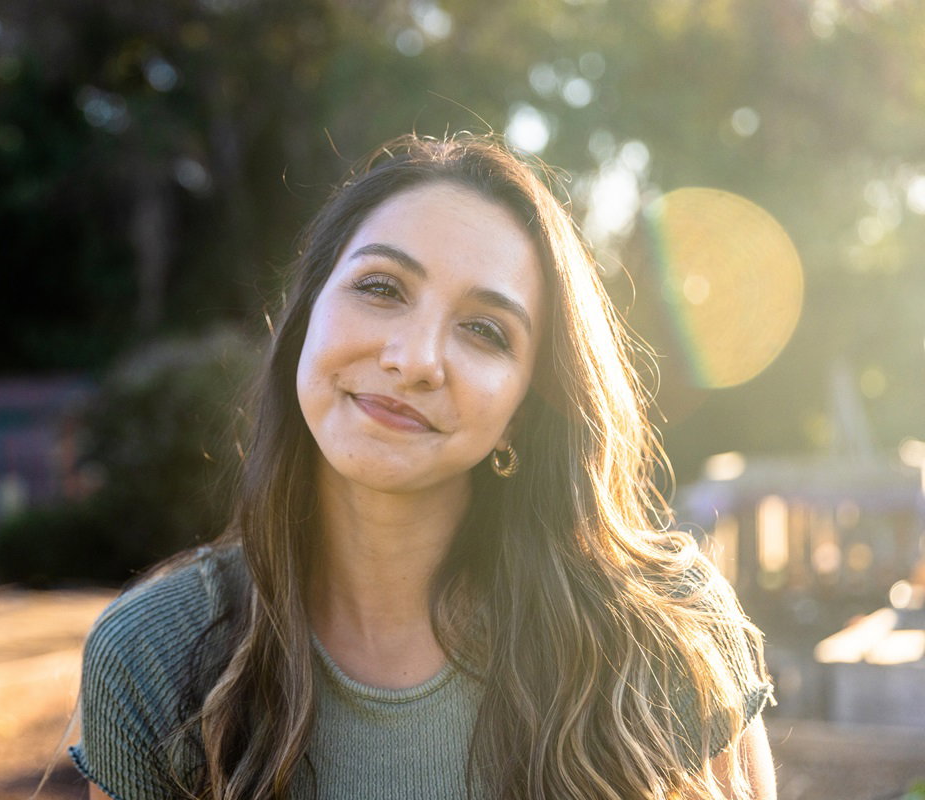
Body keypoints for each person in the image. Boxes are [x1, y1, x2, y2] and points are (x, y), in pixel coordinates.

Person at [69, 133, 777, 800]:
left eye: (484, 330)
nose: (414, 360)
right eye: (381, 288)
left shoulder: (668, 631)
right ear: (306, 314)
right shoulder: (153, 660)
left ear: (525, 408)